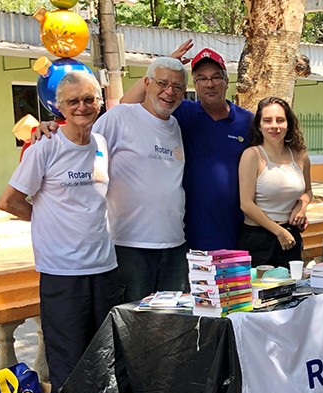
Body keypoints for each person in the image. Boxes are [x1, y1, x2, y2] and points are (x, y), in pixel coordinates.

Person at [0, 70, 120, 393]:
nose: (82, 107)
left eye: (89, 99)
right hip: (61, 271)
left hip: (104, 265)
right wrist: (47, 221)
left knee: (102, 355)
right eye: (73, 102)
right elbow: (10, 200)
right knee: (66, 356)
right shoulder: (45, 147)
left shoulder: (101, 142)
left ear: (99, 102)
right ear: (59, 108)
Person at [122, 41, 254, 251]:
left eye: (215, 77)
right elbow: (127, 104)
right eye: (201, 78)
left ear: (226, 81)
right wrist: (167, 63)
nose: (209, 84)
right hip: (190, 227)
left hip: (237, 226)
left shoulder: (247, 121)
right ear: (194, 84)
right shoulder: (182, 112)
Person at [91, 57, 188, 302]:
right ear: (146, 83)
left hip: (174, 245)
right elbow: (83, 149)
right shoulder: (120, 117)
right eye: (163, 83)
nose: (169, 91)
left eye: (177, 86)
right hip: (130, 244)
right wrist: (49, 129)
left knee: (171, 325)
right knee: (134, 325)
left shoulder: (176, 125)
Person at [238, 96, 313, 268]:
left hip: (290, 236)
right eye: (267, 120)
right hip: (259, 239)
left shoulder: (300, 156)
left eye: (280, 120)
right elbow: (246, 204)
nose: (274, 126)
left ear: (288, 124)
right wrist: (278, 231)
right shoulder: (252, 156)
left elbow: (308, 191)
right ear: (259, 125)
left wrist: (301, 206)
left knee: (293, 292)